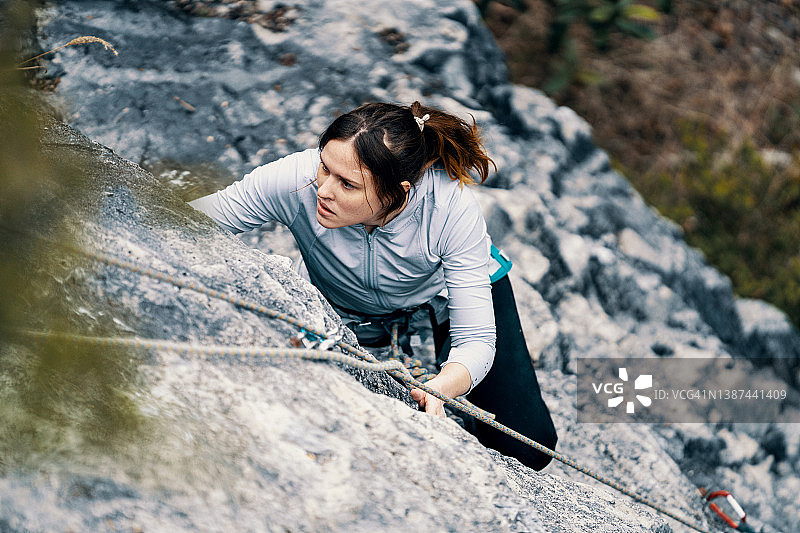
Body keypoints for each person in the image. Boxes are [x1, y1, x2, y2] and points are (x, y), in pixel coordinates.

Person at [189, 101, 557, 470]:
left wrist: (443, 387)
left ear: (399, 192)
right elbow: (194, 219)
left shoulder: (449, 209)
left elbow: (475, 339)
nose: (324, 190)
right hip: (345, 307)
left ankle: (468, 413)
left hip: (438, 298)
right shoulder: (295, 179)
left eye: (347, 184)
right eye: (325, 168)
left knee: (531, 447)